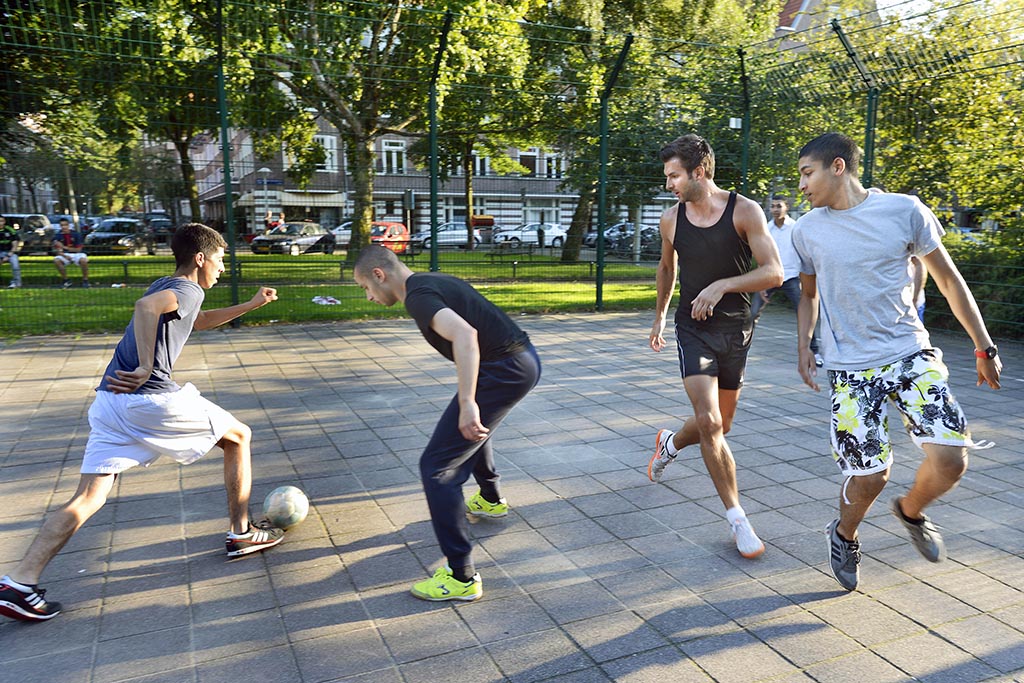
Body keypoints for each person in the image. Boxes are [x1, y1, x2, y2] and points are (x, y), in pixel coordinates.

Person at [0, 223, 285, 623]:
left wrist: (252, 304)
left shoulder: (170, 286)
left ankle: (19, 582)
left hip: (109, 403)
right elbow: (145, 308)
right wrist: (148, 365)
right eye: (220, 259)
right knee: (239, 436)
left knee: (88, 498)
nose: (222, 267)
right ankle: (241, 532)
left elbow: (196, 321)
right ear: (200, 258)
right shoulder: (188, 287)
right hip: (147, 400)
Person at [792, 132, 1001, 592]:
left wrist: (984, 347)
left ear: (838, 167)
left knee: (950, 459)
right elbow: (807, 295)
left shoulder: (904, 210)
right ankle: (844, 534)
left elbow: (948, 279)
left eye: (808, 173)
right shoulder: (807, 230)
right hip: (849, 367)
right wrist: (804, 343)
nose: (802, 185)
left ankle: (911, 511)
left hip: (909, 352)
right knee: (870, 478)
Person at [353, 244, 541, 602]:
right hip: (519, 361)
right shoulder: (427, 281)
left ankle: (461, 576)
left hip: (504, 370)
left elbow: (466, 335)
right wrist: (468, 406)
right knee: (467, 429)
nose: (369, 297)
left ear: (380, 275)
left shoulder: (418, 297)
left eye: (366, 288)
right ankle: (490, 498)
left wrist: (469, 402)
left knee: (437, 467)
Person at [647, 134, 784, 559]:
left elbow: (774, 272)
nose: (668, 184)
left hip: (736, 329)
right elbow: (667, 268)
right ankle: (738, 519)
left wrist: (723, 285)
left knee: (719, 426)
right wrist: (659, 317)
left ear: (699, 172)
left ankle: (670, 443)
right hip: (693, 329)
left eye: (674, 176)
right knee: (709, 422)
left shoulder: (745, 211)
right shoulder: (671, 220)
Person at [751, 196, 822, 366]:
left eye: (779, 206)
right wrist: (761, 280)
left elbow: (806, 253)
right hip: (770, 277)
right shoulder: (766, 228)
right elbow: (762, 255)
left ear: (786, 207)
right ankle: (741, 349)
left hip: (791, 277)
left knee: (805, 314)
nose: (775, 209)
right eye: (772, 206)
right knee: (752, 313)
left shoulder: (795, 228)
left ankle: (815, 352)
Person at [52, 218, 90, 288]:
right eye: (62, 225)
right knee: (57, 260)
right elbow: (57, 250)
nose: (64, 227)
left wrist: (64, 247)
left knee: (83, 260)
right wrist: (64, 255)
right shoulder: (57, 236)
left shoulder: (76, 234)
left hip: (77, 254)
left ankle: (85, 280)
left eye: (65, 225)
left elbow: (78, 249)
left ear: (69, 225)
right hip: (65, 254)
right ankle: (66, 280)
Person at [0, 215, 22, 288]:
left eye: (1, 221)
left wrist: (8, 255)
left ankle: (16, 283)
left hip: (10, 253)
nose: (0, 223)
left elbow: (15, 245)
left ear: (4, 222)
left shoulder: (10, 230)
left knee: (15, 264)